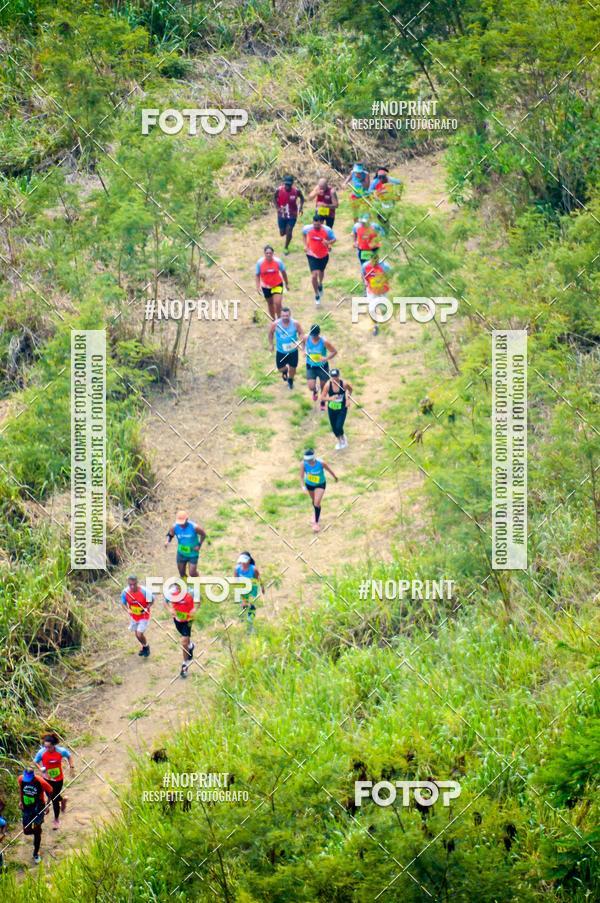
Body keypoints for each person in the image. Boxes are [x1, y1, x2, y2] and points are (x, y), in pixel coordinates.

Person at [33, 733, 74, 830]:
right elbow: (35, 761)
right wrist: (40, 768)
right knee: (51, 796)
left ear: (54, 745)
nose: (47, 749)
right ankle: (62, 800)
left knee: (54, 799)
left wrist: (71, 766)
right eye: (45, 746)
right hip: (46, 779)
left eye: (49, 747)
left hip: (58, 779)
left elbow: (69, 756)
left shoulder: (61, 751)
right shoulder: (42, 752)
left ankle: (56, 820)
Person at [18, 767, 53, 863]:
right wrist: (20, 801)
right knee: (26, 831)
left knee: (37, 830)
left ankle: (36, 853)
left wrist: (47, 805)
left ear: (33, 776)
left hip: (38, 807)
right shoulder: (21, 779)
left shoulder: (40, 781)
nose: (27, 780)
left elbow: (50, 790)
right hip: (27, 807)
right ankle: (37, 832)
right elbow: (21, 790)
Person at [300, 448, 338, 532]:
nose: (309, 462)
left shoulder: (321, 463)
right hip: (309, 484)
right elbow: (301, 476)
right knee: (314, 501)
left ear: (314, 458)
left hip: (320, 484)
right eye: (307, 460)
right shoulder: (303, 464)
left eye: (310, 460)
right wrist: (303, 487)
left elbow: (329, 470)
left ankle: (316, 523)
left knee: (317, 503)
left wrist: (335, 477)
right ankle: (315, 513)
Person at [302, 215, 336, 305]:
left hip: (323, 255)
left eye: (318, 225)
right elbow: (303, 234)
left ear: (321, 223)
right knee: (314, 275)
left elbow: (334, 239)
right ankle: (316, 294)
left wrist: (328, 243)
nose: (316, 226)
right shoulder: (307, 228)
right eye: (314, 225)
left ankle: (320, 284)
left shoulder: (327, 230)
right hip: (311, 254)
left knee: (321, 272)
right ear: (312, 222)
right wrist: (305, 245)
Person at [164, 582, 195, 678]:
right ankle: (191, 646)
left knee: (184, 641)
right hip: (177, 619)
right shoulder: (172, 591)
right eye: (177, 587)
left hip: (188, 619)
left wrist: (194, 610)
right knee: (186, 641)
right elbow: (165, 602)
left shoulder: (191, 592)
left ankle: (185, 665)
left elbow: (199, 602)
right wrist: (170, 609)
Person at [269, 306, 304, 389]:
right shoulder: (275, 324)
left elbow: (301, 333)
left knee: (293, 368)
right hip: (281, 351)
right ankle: (285, 371)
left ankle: (290, 380)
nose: (285, 317)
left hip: (293, 351)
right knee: (280, 368)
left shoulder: (295, 323)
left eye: (287, 316)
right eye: (283, 316)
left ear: (290, 315)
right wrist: (271, 344)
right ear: (280, 315)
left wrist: (300, 343)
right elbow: (270, 333)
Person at [303, 323, 337, 410]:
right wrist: (304, 350)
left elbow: (334, 351)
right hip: (310, 366)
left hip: (322, 367)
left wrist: (326, 358)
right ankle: (315, 390)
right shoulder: (306, 338)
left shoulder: (324, 342)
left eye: (315, 336)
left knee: (324, 387)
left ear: (319, 334)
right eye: (312, 335)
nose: (313, 337)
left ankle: (322, 402)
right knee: (311, 386)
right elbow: (303, 344)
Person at [165, 511, 207, 579]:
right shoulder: (175, 527)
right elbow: (170, 535)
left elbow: (203, 534)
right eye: (179, 523)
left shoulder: (194, 527)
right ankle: (185, 584)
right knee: (182, 573)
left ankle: (198, 581)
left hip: (193, 553)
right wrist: (167, 541)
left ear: (187, 519)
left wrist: (199, 545)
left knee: (192, 573)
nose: (181, 525)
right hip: (181, 553)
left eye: (182, 523)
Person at [120, 574, 154, 657]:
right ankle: (145, 647)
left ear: (137, 582)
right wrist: (128, 610)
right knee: (137, 634)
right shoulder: (125, 592)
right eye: (130, 584)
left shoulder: (144, 591)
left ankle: (146, 647)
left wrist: (147, 607)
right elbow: (123, 603)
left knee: (139, 633)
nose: (132, 586)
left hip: (144, 616)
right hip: (134, 616)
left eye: (134, 584)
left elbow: (152, 600)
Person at [321, 367, 353, 450]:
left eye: (336, 376)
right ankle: (339, 441)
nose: (334, 379)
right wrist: (330, 398)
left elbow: (350, 389)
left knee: (339, 426)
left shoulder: (344, 384)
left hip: (342, 408)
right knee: (334, 428)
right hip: (331, 409)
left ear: (339, 376)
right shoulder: (328, 385)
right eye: (332, 377)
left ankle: (343, 439)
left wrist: (347, 399)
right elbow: (322, 397)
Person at [362, 251, 392, 335]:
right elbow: (363, 276)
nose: (374, 262)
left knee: (383, 309)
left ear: (378, 259)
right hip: (371, 291)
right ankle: (375, 326)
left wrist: (384, 283)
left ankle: (384, 321)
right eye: (372, 260)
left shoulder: (385, 266)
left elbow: (390, 275)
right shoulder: (365, 266)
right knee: (372, 309)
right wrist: (366, 285)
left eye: (376, 260)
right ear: (370, 259)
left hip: (383, 291)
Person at [255, 245, 288, 320]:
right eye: (267, 253)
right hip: (266, 287)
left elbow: (283, 272)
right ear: (264, 254)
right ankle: (273, 320)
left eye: (270, 253)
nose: (268, 255)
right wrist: (258, 286)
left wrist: (286, 283)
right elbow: (257, 275)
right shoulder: (260, 263)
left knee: (277, 303)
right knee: (270, 304)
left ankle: (279, 320)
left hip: (277, 285)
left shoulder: (278, 262)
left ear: (273, 253)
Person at [234, 552, 264, 630]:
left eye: (244, 562)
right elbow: (236, 581)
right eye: (241, 562)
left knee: (251, 605)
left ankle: (250, 622)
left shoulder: (253, 569)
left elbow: (258, 579)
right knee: (243, 605)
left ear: (248, 561)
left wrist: (262, 587)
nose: (243, 563)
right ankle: (243, 620)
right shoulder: (237, 569)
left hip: (252, 590)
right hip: (242, 589)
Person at [274, 175, 304, 253]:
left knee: (289, 230)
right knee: (282, 233)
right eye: (286, 184)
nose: (287, 186)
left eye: (289, 184)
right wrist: (277, 207)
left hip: (292, 214)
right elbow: (274, 198)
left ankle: (286, 247)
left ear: (292, 184)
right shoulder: (279, 190)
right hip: (282, 213)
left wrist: (301, 207)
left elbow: (302, 198)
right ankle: (287, 234)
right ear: (284, 183)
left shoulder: (296, 191)